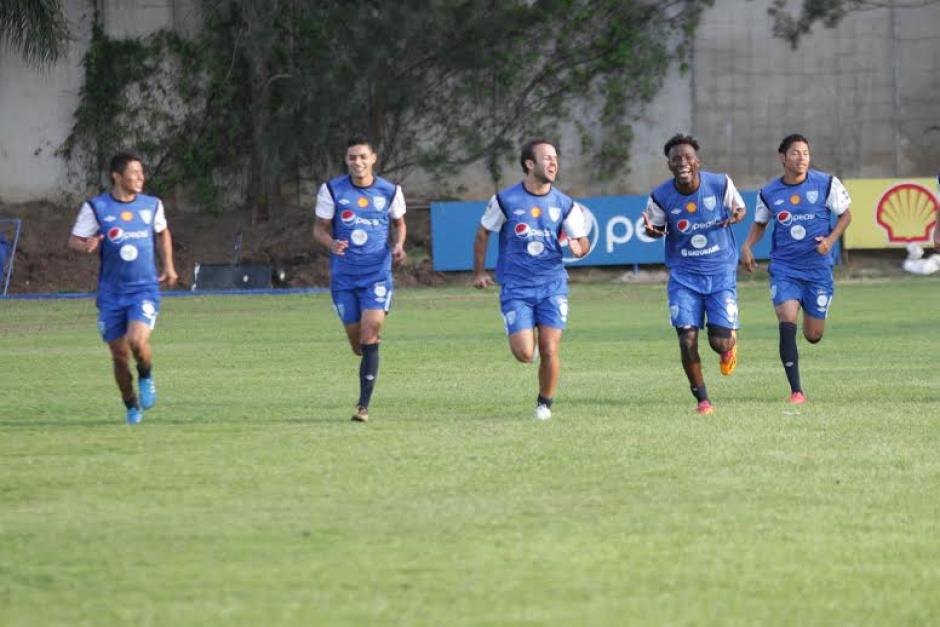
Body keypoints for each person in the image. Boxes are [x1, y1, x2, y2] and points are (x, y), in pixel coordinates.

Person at [472, 139, 590, 420]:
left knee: (550, 348)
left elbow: (582, 240)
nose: (553, 162)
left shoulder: (564, 204)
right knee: (525, 354)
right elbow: (483, 233)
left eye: (555, 158)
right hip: (516, 287)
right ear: (529, 164)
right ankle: (528, 342)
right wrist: (479, 272)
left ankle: (544, 404)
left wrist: (580, 248)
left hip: (552, 285)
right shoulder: (506, 200)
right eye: (546, 157)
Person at [740, 134, 851, 403]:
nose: (801, 158)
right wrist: (747, 246)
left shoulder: (826, 184)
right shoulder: (769, 193)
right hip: (784, 268)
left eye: (805, 153)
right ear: (782, 158)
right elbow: (760, 223)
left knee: (813, 335)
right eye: (795, 153)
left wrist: (830, 241)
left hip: (817, 269)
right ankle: (796, 391)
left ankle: (812, 317)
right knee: (786, 318)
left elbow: (846, 215)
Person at [68, 153, 178, 424]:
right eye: (134, 172)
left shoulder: (152, 205)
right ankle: (131, 405)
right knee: (119, 355)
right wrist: (86, 245)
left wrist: (169, 266)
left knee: (137, 342)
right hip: (111, 294)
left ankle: (146, 375)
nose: (141, 177)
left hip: (144, 290)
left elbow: (162, 232)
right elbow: (74, 240)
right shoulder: (97, 207)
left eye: (142, 172)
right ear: (117, 176)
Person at [642, 134, 746, 415]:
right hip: (684, 277)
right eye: (676, 158)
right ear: (669, 165)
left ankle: (729, 346)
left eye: (687, 157)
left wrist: (737, 215)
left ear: (697, 161)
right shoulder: (661, 196)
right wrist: (651, 232)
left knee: (719, 343)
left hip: (720, 273)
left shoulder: (720, 183)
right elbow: (656, 229)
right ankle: (703, 399)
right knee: (686, 339)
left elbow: (740, 209)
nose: (682, 162)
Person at [313, 137, 407, 422]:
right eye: (352, 157)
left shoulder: (390, 191)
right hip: (344, 279)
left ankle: (363, 407)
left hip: (376, 276)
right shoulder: (332, 190)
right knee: (358, 345)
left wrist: (399, 245)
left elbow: (400, 224)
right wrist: (331, 243)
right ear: (346, 160)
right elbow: (319, 229)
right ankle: (366, 352)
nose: (358, 162)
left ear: (373, 158)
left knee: (370, 333)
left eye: (363, 157)